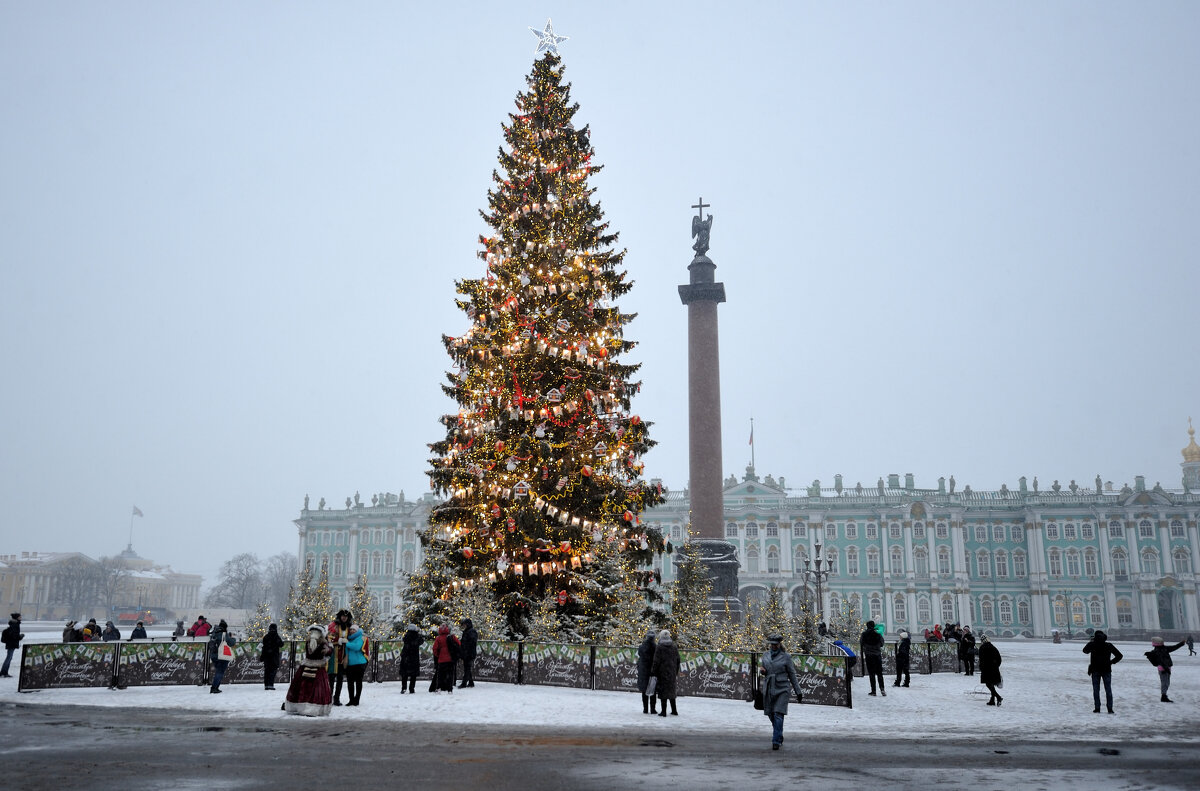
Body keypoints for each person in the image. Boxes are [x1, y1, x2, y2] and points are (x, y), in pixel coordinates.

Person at [759, 633, 805, 750]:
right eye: (772, 644)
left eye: (775, 644)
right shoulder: (765, 655)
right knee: (770, 714)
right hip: (769, 687)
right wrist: (763, 671)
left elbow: (792, 674)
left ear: (780, 644)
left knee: (778, 713)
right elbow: (764, 669)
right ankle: (778, 734)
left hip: (782, 687)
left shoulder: (786, 657)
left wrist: (798, 691)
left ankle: (776, 741)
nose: (773, 646)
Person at [284, 625, 334, 716]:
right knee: (316, 688)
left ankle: (299, 706)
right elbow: (328, 653)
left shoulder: (308, 642)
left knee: (302, 686)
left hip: (306, 666)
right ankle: (312, 708)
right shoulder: (323, 644)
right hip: (318, 667)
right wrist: (330, 646)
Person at [1083, 630, 1123, 713]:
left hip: (1095, 670)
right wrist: (1111, 662)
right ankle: (1110, 708)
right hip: (1106, 669)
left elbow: (1085, 651)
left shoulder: (1092, 644)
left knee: (1096, 690)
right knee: (1108, 689)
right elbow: (1119, 655)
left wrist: (1091, 642)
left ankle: (1097, 708)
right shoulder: (1108, 645)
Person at [1144, 636, 1188, 703]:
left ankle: (1164, 695)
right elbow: (1161, 661)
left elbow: (1174, 647)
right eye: (1161, 642)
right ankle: (1163, 697)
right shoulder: (1158, 651)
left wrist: (1181, 643)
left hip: (1166, 668)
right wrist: (1166, 669)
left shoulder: (1164, 648)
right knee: (1165, 683)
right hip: (1163, 669)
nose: (1163, 642)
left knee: (1166, 683)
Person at [649, 629, 680, 717]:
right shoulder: (674, 646)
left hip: (662, 672)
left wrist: (653, 671)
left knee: (663, 692)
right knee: (671, 690)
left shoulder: (659, 647)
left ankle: (663, 711)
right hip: (672, 672)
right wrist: (675, 671)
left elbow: (656, 661)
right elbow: (678, 659)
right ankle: (674, 710)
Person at [327, 609, 354, 705]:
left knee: (340, 679)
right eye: (342, 616)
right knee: (331, 678)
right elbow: (329, 637)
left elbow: (354, 637)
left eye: (346, 616)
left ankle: (336, 698)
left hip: (343, 656)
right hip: (334, 656)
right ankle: (328, 698)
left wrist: (347, 641)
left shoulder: (349, 627)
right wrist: (338, 640)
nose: (344, 618)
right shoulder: (333, 625)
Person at [207, 619, 236, 693]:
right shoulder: (223, 634)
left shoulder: (214, 633)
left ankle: (216, 687)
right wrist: (233, 638)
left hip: (213, 655)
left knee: (218, 671)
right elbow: (231, 643)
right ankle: (214, 687)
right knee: (220, 672)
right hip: (221, 655)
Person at [343, 624, 368, 706]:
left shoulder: (360, 637)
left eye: (354, 630)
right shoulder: (349, 639)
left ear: (357, 631)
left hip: (359, 663)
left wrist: (347, 644)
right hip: (350, 664)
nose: (352, 631)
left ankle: (356, 700)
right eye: (351, 630)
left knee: (358, 682)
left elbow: (357, 647)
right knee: (350, 682)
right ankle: (351, 700)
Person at [432, 623, 460, 693]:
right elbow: (459, 644)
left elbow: (435, 649)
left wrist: (438, 655)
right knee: (450, 674)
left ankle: (439, 688)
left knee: (440, 675)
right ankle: (450, 689)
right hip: (450, 659)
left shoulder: (438, 638)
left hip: (441, 659)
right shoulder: (452, 637)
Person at [860, 620, 885, 696]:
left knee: (871, 674)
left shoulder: (864, 634)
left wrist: (867, 647)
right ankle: (882, 689)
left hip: (869, 655)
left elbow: (861, 643)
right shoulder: (877, 634)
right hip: (877, 655)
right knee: (879, 673)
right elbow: (882, 643)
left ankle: (873, 691)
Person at [978, 634, 1003, 706]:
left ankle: (998, 697)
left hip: (986, 669)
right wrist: (996, 666)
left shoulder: (982, 648)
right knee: (991, 684)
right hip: (994, 669)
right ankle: (992, 700)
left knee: (988, 684)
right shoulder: (993, 647)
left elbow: (982, 659)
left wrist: (981, 668)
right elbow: (999, 659)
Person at [637, 628, 657, 714]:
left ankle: (645, 709)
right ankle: (652, 709)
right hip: (652, 670)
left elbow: (640, 655)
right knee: (653, 690)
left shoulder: (641, 647)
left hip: (643, 670)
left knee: (644, 690)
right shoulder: (656, 647)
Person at [399, 623, 424, 694]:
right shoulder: (417, 637)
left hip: (406, 657)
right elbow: (421, 641)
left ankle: (404, 688)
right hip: (414, 657)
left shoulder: (406, 636)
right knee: (413, 675)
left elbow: (404, 640)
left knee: (404, 674)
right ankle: (411, 688)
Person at [260, 623, 284, 691]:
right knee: (272, 671)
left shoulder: (266, 637)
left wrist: (262, 656)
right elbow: (281, 644)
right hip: (274, 657)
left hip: (267, 657)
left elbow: (264, 647)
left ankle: (266, 685)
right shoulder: (276, 637)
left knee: (267, 671)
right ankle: (270, 684)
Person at [1, 613, 23, 678]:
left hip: (11, 643)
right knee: (9, 658)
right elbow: (13, 635)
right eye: (20, 617)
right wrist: (20, 636)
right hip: (11, 643)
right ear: (16, 618)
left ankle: (4, 672)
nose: (21, 618)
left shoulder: (15, 624)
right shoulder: (15, 625)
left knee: (9, 658)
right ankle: (4, 672)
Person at [458, 618, 478, 689]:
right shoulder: (468, 631)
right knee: (467, 668)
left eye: (465, 624)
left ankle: (464, 683)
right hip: (467, 652)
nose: (464, 625)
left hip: (469, 653)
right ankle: (471, 682)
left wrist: (465, 649)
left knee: (467, 668)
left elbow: (471, 643)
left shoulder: (471, 632)